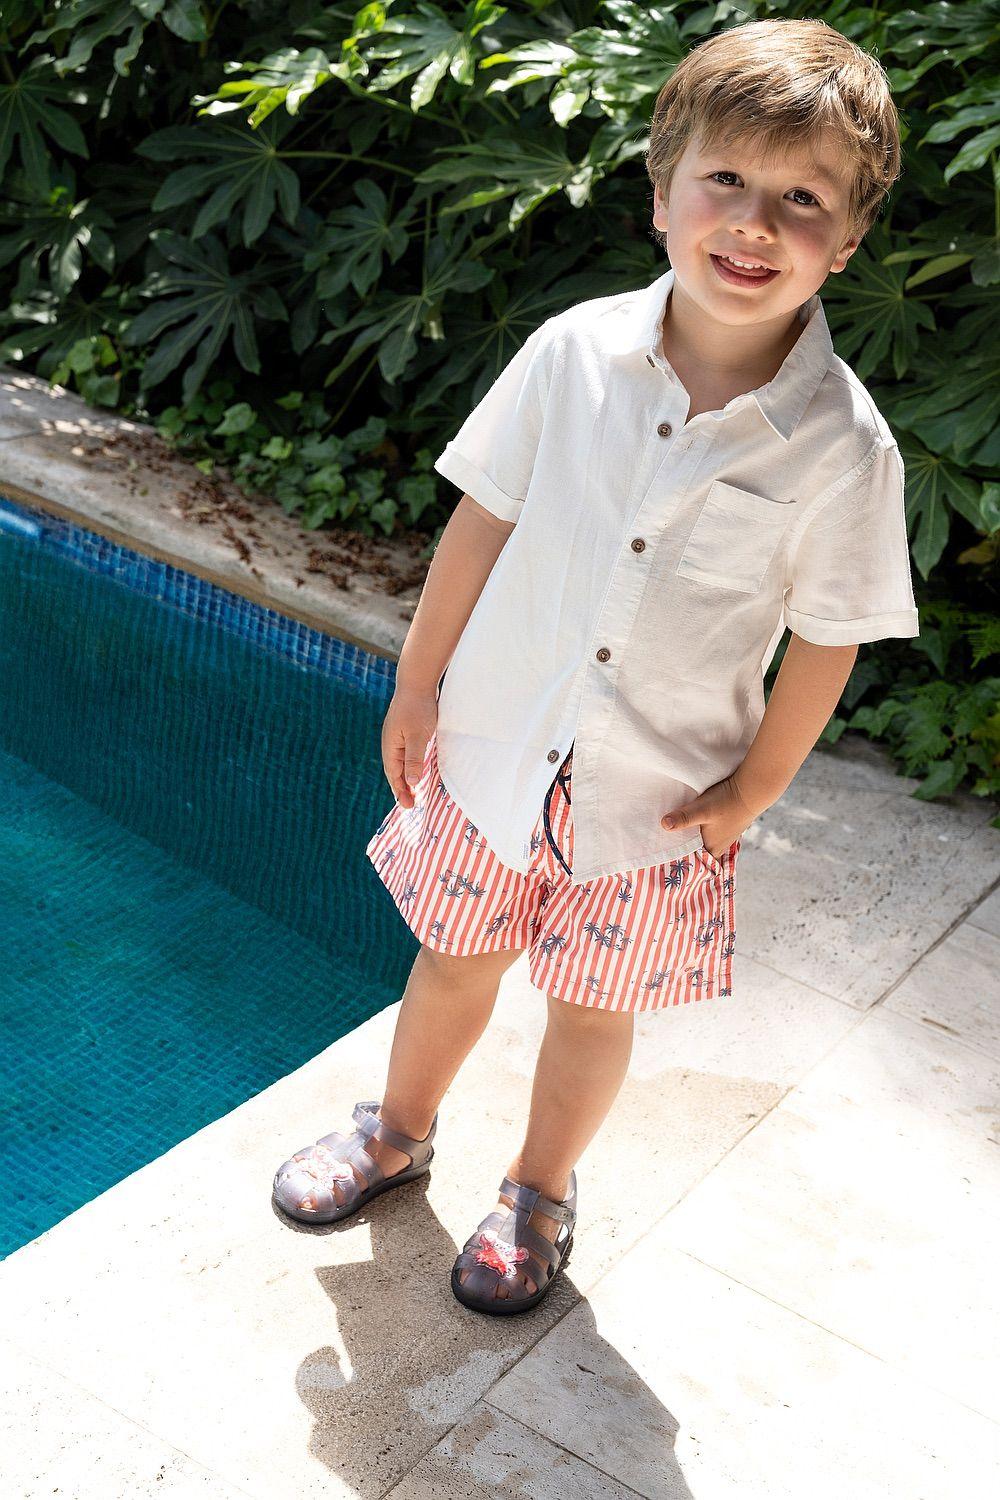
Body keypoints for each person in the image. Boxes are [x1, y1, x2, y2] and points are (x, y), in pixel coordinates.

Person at [273, 17, 919, 1316]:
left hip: (655, 803)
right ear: (661, 193)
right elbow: (483, 519)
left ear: (847, 240)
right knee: (452, 961)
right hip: (495, 749)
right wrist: (416, 685)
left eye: (802, 200)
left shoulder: (844, 447)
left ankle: (537, 1191)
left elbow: (829, 635)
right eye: (724, 179)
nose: (754, 222)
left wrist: (753, 793)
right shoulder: (570, 351)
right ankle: (396, 1132)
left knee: (589, 1010)